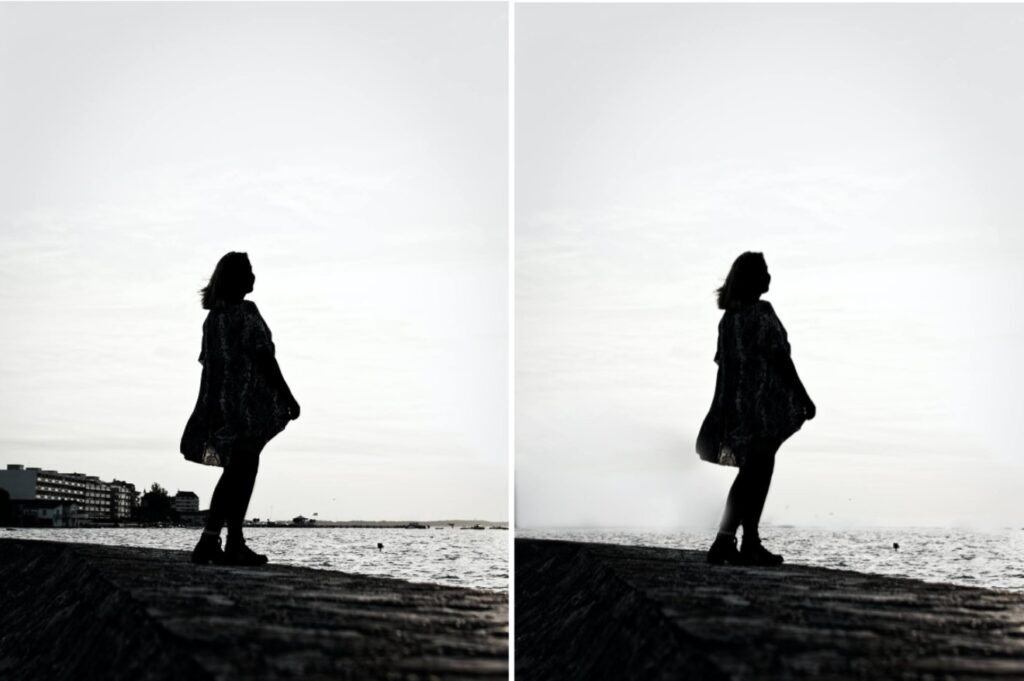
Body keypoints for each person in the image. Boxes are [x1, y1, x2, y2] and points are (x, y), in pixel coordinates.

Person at [180, 252, 301, 566]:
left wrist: (210, 408)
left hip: (225, 405)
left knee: (237, 472)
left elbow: (211, 370)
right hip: (246, 407)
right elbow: (264, 358)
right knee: (241, 472)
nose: (254, 276)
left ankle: (221, 541)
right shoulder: (246, 313)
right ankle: (227, 541)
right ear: (235, 278)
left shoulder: (214, 319)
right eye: (248, 271)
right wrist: (288, 397)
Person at [697, 251, 815, 566]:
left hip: (737, 408)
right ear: (752, 279)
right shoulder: (762, 313)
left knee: (753, 472)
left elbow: (725, 371)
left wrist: (719, 412)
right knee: (757, 473)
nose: (769, 276)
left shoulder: (728, 321)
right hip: (763, 407)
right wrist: (804, 398)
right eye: (764, 271)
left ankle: (739, 541)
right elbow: (780, 359)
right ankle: (739, 541)